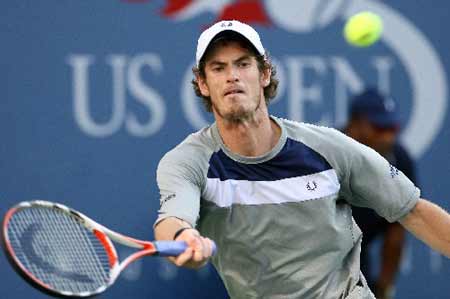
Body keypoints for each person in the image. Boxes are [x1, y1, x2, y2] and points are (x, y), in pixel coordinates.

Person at [153, 20, 450, 299]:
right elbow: (173, 220)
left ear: (264, 74)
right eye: (218, 68)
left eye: (243, 64)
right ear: (203, 84)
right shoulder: (188, 161)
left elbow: (413, 211)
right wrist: (184, 238)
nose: (232, 75)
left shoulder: (328, 148)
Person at [343, 89, 418, 299]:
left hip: (358, 257)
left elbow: (396, 234)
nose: (388, 137)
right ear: (354, 125)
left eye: (393, 128)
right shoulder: (324, 156)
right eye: (379, 127)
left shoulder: (400, 161)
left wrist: (385, 288)